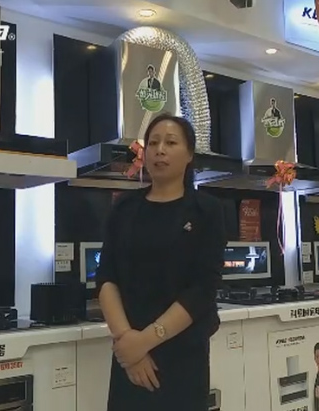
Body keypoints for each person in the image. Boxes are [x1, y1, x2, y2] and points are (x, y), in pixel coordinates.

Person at [96, 113, 227, 411]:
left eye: (170, 142)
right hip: (129, 356)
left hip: (183, 355)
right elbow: (106, 277)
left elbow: (202, 289)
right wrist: (128, 342)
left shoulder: (206, 210)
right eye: (153, 143)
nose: (160, 150)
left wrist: (145, 341)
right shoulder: (124, 207)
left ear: (189, 154)